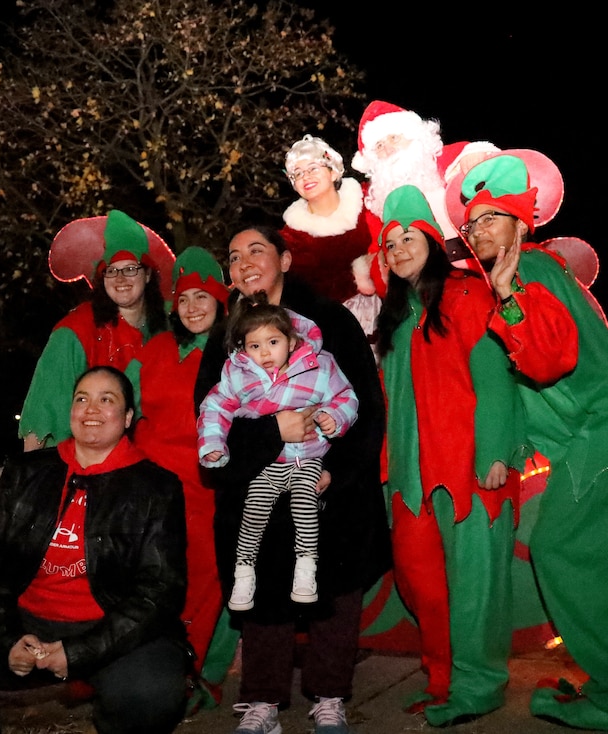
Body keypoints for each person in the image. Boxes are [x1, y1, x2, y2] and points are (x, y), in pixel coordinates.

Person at [454, 151, 608, 732]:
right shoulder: (520, 275)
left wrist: (508, 299)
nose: (478, 229)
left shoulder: (532, 269)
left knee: (562, 550)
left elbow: (552, 357)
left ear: (521, 225)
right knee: (604, 562)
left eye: (490, 218)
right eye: (471, 222)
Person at [0, 366, 192, 734]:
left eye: (106, 399)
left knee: (153, 690)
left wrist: (78, 652)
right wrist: (7, 635)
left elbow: (160, 591)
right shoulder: (26, 472)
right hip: (24, 616)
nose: (91, 409)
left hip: (109, 625)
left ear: (127, 418)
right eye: (81, 399)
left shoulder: (156, 487)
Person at [195, 225, 390, 734]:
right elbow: (211, 414)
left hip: (326, 482)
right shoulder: (227, 336)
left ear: (284, 259)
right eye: (234, 257)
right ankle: (261, 702)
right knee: (260, 592)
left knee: (332, 592)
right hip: (256, 481)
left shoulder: (329, 321)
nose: (244, 263)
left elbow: (363, 405)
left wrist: (338, 471)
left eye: (255, 251)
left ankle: (329, 697)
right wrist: (269, 433)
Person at [374, 185, 529, 726]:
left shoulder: (467, 294)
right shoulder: (393, 319)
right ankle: (443, 679)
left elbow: (495, 379)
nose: (397, 248)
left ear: (433, 242)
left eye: (408, 237)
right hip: (410, 477)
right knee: (420, 583)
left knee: (475, 585)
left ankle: (478, 684)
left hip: (469, 467)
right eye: (388, 243)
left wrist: (496, 452)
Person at [198, 293, 359, 613]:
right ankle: (243, 574)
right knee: (253, 512)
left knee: (305, 505)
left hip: (307, 458)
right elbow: (215, 407)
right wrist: (213, 445)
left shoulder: (319, 365)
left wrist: (334, 417)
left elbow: (347, 397)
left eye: (273, 342)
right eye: (254, 346)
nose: (265, 353)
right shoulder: (237, 374)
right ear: (243, 349)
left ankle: (306, 570)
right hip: (268, 463)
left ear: (291, 339)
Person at [133, 245, 231, 699]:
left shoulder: (231, 354)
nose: (192, 308)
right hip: (150, 487)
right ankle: (143, 668)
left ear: (220, 303)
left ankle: (192, 675)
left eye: (202, 298)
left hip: (202, 485)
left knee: (203, 578)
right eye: (184, 298)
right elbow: (128, 408)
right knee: (152, 579)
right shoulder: (156, 348)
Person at [19, 208, 175, 450]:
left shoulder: (167, 327)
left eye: (130, 269)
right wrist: (33, 472)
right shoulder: (76, 330)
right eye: (111, 271)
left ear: (147, 275)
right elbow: (45, 409)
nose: (121, 278)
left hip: (152, 461)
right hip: (83, 464)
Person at [350, 100, 499, 300]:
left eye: (394, 138)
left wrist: (477, 156)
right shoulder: (377, 199)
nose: (389, 150)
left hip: (481, 267)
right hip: (425, 287)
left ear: (413, 135)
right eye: (379, 146)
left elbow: (488, 163)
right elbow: (380, 251)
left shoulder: (444, 159)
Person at [279, 134, 378, 342]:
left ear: (333, 172)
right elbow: (303, 293)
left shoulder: (369, 199)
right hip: (335, 332)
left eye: (313, 168)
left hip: (391, 314)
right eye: (297, 173)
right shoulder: (291, 238)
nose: (305, 177)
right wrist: (354, 276)